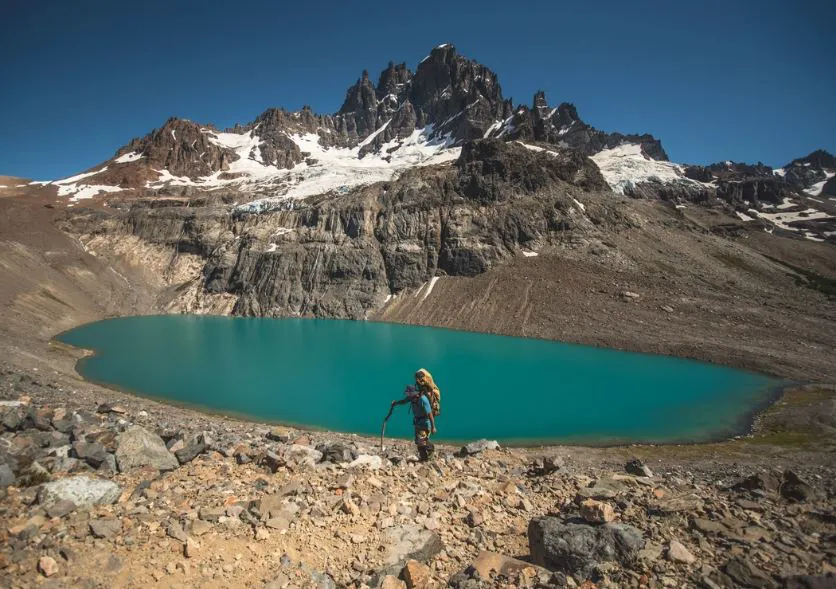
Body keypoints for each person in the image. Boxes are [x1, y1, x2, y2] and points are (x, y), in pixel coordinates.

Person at [390, 385, 436, 461]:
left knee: (422, 440)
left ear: (413, 393)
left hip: (425, 423)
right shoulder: (412, 398)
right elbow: (404, 401)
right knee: (418, 442)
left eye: (408, 393)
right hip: (417, 423)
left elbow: (430, 414)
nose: (408, 395)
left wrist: (433, 426)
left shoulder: (423, 399)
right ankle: (423, 458)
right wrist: (396, 403)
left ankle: (431, 450)